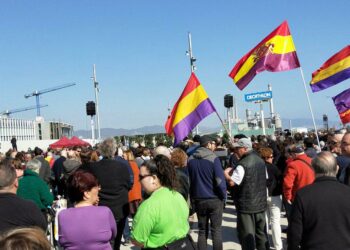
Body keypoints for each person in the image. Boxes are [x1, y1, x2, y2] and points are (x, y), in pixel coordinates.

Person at [288, 151, 350, 250]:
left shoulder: (303, 194)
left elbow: (294, 232)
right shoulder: (347, 192)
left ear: (313, 169)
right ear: (337, 169)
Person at [131, 155, 194, 249]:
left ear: (154, 178)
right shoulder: (177, 195)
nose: (139, 181)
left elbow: (137, 239)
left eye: (141, 177)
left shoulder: (149, 205)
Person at [84, 138, 131, 250]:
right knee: (116, 241)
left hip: (100, 208)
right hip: (119, 207)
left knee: (101, 241)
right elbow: (129, 184)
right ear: (114, 151)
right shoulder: (123, 167)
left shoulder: (93, 167)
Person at [224, 138, 269, 250]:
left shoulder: (243, 164)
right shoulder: (261, 161)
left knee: (247, 236)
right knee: (261, 234)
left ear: (244, 148)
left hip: (246, 205)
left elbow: (232, 183)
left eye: (238, 148)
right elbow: (265, 178)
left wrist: (226, 174)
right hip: (260, 204)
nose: (235, 150)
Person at [58, 170, 116, 250]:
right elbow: (113, 234)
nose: (99, 189)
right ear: (87, 194)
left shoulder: (62, 215)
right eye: (96, 187)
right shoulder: (105, 212)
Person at [187, 135, 227, 250]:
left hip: (199, 199)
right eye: (214, 144)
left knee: (202, 231)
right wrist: (223, 196)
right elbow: (220, 181)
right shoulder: (213, 158)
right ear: (209, 144)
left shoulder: (190, 159)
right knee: (216, 231)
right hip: (214, 199)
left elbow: (189, 181)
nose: (215, 146)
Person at [0, 160, 47, 232]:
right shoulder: (29, 207)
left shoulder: (29, 206)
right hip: (22, 241)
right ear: (16, 183)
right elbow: (42, 228)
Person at [258, 147, 283, 250]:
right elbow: (281, 179)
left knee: (265, 221)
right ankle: (278, 246)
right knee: (275, 221)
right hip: (275, 196)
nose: (272, 158)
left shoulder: (258, 167)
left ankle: (265, 244)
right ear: (267, 157)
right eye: (271, 157)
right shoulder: (274, 168)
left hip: (262, 196)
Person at [283, 144, 315, 220]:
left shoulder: (293, 165)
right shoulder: (312, 161)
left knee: (299, 219)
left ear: (294, 154)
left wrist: (288, 196)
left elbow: (287, 183)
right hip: (313, 194)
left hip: (298, 197)